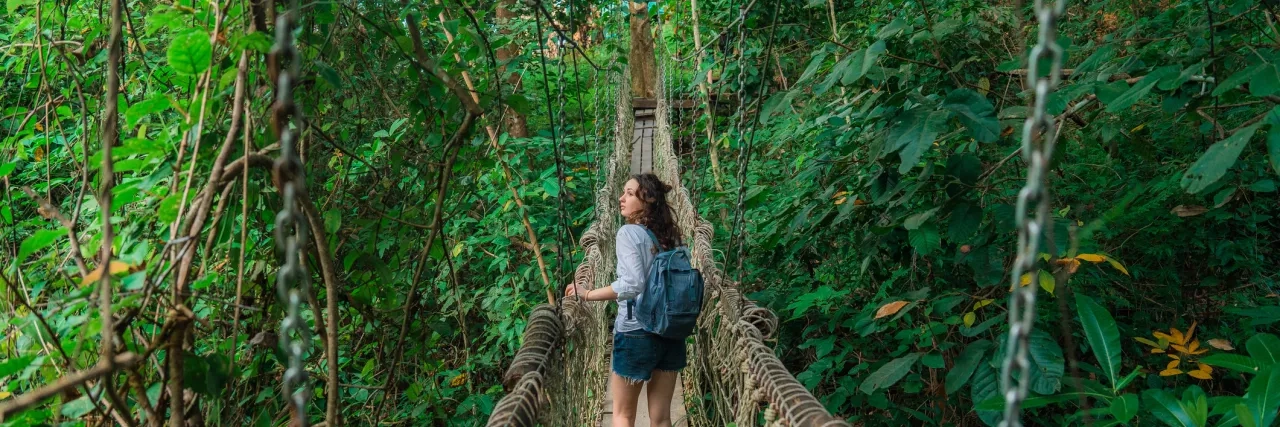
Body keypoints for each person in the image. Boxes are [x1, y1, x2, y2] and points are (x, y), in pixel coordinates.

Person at [566, 173, 685, 427]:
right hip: (671, 332)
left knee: (623, 415)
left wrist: (587, 294)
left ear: (648, 200)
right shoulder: (673, 236)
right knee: (662, 417)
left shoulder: (629, 233)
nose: (621, 198)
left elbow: (632, 283)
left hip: (636, 333)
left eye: (630, 194)